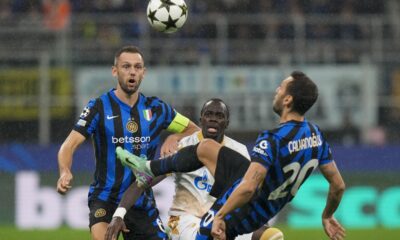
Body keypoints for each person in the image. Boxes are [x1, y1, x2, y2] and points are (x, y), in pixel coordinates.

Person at [117, 71, 346, 240]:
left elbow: (247, 188)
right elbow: (338, 186)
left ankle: (151, 170)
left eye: (281, 88)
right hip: (257, 200)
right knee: (206, 148)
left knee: (256, 234)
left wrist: (220, 216)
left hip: (242, 209)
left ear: (287, 100)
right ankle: (148, 167)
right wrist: (327, 215)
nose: (277, 90)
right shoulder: (316, 135)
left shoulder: (272, 139)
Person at [56, 45, 199, 240]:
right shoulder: (98, 107)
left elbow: (194, 130)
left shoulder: (157, 109)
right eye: (126, 66)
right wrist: (65, 170)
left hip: (141, 201)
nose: (132, 72)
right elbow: (69, 145)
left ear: (143, 72)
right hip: (106, 199)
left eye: (137, 67)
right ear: (115, 71)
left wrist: (173, 136)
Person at [106, 98, 263, 240]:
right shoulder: (182, 147)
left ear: (227, 122)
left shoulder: (239, 150)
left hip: (219, 219)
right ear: (201, 119)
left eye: (219, 115)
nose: (213, 119)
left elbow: (247, 189)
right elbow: (143, 181)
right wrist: (118, 215)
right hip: (183, 220)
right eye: (209, 114)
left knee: (271, 236)